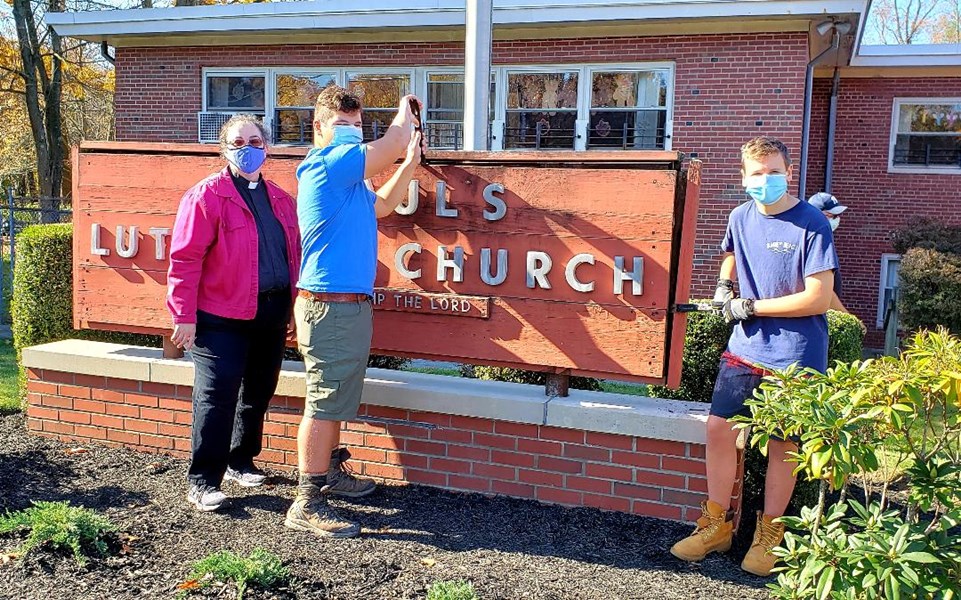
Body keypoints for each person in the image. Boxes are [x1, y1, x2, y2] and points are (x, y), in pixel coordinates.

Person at [671, 137, 838, 576]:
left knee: (784, 446)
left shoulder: (811, 223)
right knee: (719, 430)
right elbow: (731, 254)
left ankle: (770, 535)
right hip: (744, 349)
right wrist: (726, 286)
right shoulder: (740, 216)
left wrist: (751, 306)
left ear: (788, 171)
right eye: (757, 173)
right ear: (744, 178)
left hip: (796, 356)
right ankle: (717, 526)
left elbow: (818, 298)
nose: (766, 180)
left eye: (774, 171)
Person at [284, 85, 423, 538]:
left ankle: (330, 474)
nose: (350, 133)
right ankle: (307, 500)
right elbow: (395, 139)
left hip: (347, 307)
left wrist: (408, 166)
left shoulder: (349, 178)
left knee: (336, 399)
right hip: (329, 308)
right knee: (324, 404)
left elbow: (381, 206)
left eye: (357, 126)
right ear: (319, 128)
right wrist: (405, 112)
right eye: (342, 125)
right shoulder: (328, 165)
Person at [167, 115, 301, 512]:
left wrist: (293, 308)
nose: (248, 148)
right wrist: (183, 315)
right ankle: (203, 480)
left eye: (255, 140)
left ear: (268, 147)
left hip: (272, 313)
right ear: (224, 148)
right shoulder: (207, 196)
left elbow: (291, 256)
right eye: (238, 142)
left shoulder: (280, 199)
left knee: (258, 391)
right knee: (217, 394)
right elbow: (185, 259)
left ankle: (240, 460)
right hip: (219, 316)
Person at [808, 192, 851, 313]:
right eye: (829, 215)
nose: (835, 219)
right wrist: (846, 318)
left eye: (836, 216)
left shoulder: (825, 239)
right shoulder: (815, 242)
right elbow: (822, 288)